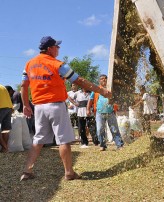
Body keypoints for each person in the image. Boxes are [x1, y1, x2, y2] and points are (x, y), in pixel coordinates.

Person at [20, 36, 112, 181]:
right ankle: (69, 172)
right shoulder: (58, 64)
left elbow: (24, 86)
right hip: (56, 105)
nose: (58, 49)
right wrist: (101, 90)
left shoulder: (29, 64)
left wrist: (26, 104)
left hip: (39, 107)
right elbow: (79, 80)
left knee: (38, 139)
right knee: (63, 140)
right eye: (57, 47)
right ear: (50, 49)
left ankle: (27, 171)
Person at [86, 74, 123, 151]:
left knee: (114, 129)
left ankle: (119, 145)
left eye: (105, 78)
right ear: (99, 81)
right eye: (102, 79)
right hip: (99, 112)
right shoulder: (96, 89)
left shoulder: (111, 89)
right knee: (100, 129)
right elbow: (90, 100)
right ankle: (102, 145)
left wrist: (116, 106)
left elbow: (116, 99)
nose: (104, 80)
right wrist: (88, 109)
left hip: (110, 112)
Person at [0, 84, 13, 152]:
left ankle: (5, 147)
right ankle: (4, 149)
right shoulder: (2, 86)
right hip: (8, 107)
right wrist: (11, 108)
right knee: (5, 129)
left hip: (1, 107)